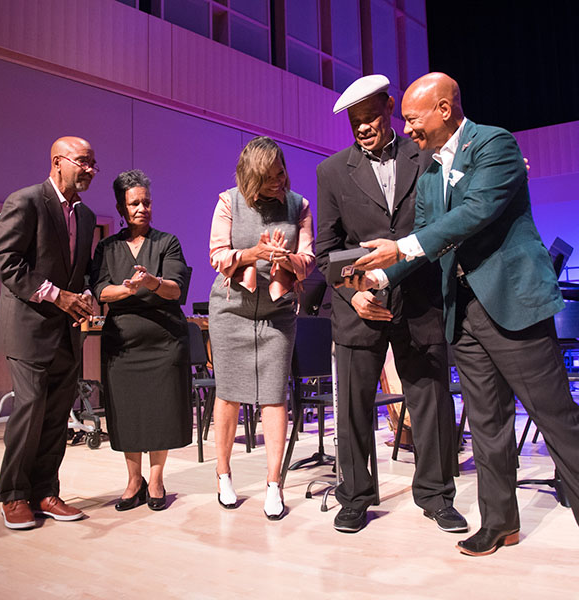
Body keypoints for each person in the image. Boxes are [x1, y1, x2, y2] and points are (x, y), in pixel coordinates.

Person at [351, 72, 579, 556]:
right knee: (486, 426)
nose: (408, 129)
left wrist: (402, 246)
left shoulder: (494, 145)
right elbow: (429, 241)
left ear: (445, 110)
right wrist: (381, 278)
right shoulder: (431, 172)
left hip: (512, 308)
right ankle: (500, 524)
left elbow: (474, 212)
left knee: (557, 420)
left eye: (413, 119)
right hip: (465, 316)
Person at [316, 75, 464, 534]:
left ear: (390, 109)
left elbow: (447, 222)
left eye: (371, 118)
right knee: (355, 407)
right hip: (360, 303)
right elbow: (325, 251)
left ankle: (437, 496)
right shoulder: (331, 172)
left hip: (420, 300)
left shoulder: (425, 156)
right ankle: (356, 497)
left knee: (431, 402)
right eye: (355, 123)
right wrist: (352, 292)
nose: (362, 129)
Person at [0, 136, 98, 529]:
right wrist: (58, 296)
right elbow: (2, 259)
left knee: (56, 414)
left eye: (93, 164)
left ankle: (45, 492)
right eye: (83, 162)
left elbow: (78, 271)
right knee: (31, 408)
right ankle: (13, 495)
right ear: (57, 161)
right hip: (29, 329)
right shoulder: (27, 201)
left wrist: (83, 295)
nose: (90, 170)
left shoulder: (85, 216)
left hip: (67, 331)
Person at [208, 136, 315, 520]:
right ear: (251, 177)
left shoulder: (299, 205)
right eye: (269, 177)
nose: (278, 182)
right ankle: (223, 475)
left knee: (274, 395)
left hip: (278, 312)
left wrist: (288, 260)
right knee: (229, 392)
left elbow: (309, 258)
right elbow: (217, 255)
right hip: (232, 311)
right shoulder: (228, 202)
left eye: (281, 172)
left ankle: (274, 484)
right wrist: (252, 253)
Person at [91, 169, 192, 512]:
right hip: (123, 344)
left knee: (161, 410)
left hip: (164, 341)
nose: (142, 208)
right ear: (121, 207)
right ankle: (134, 480)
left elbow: (176, 289)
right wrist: (126, 289)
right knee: (128, 412)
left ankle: (158, 478)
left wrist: (151, 282)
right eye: (135, 203)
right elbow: (100, 290)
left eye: (147, 202)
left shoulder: (167, 242)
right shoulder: (108, 246)